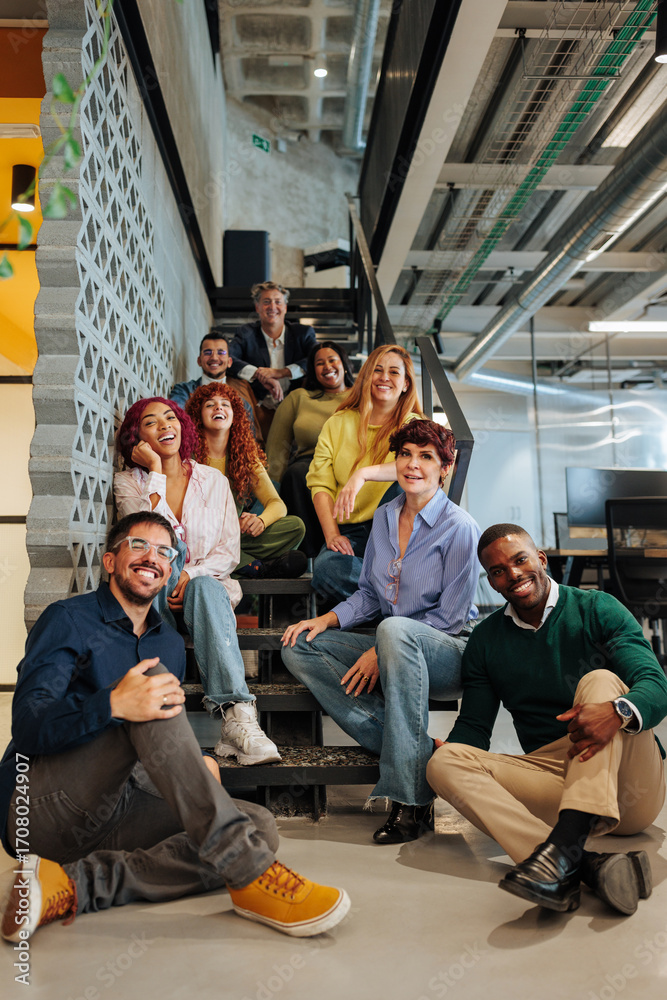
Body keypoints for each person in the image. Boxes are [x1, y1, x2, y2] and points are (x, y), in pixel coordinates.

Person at [0, 512, 350, 944]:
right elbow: (28, 724)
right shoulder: (67, 619)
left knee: (257, 826)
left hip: (118, 811)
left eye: (164, 552)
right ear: (110, 561)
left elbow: (153, 742)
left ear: (170, 572)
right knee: (151, 684)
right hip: (43, 810)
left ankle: (71, 884)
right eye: (138, 545)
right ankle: (251, 876)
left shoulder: (167, 641)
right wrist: (111, 704)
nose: (152, 557)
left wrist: (195, 763)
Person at [427, 523, 667, 916]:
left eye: (520, 560)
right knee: (443, 763)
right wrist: (453, 749)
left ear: (540, 559)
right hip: (556, 778)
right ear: (492, 581)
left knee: (600, 680)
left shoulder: (596, 608)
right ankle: (580, 864)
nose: (513, 574)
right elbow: (475, 726)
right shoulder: (486, 640)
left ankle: (565, 847)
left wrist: (617, 711)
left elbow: (655, 685)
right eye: (498, 571)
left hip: (630, 782)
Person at [282, 421, 480, 844]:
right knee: (299, 645)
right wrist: (326, 620)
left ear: (445, 468)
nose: (413, 464)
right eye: (405, 453)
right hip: (392, 641)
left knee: (391, 630)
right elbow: (371, 593)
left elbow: (450, 618)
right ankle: (420, 750)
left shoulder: (460, 527)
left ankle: (410, 799)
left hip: (449, 652)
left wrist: (383, 646)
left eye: (426, 456)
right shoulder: (385, 516)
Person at [113, 396, 280, 765]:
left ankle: (238, 718)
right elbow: (145, 540)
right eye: (150, 422)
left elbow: (228, 553)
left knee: (204, 587)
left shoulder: (213, 480)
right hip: (155, 595)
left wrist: (189, 574)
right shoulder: (128, 483)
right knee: (160, 555)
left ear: (183, 426)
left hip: (206, 592)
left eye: (170, 418)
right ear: (137, 439)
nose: (164, 426)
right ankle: (157, 721)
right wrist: (156, 471)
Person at [307, 344, 423, 603]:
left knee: (407, 481)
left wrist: (363, 474)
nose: (384, 377)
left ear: (406, 384)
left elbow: (415, 467)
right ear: (366, 377)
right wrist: (332, 534)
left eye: (394, 372)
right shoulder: (337, 423)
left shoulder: (414, 426)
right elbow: (320, 484)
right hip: (354, 532)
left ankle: (379, 602)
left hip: (398, 532)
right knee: (326, 569)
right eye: (377, 370)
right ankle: (403, 598)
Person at [185, 382, 307, 579]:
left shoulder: (245, 458)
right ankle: (253, 566)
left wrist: (260, 521)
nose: (218, 408)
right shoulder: (186, 456)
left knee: (295, 527)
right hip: (196, 536)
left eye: (225, 404)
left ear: (236, 416)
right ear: (197, 415)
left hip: (232, 537)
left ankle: (236, 563)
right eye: (210, 404)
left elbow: (277, 504)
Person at [266, 341, 355, 557]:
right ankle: (309, 558)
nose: (327, 366)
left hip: (351, 464)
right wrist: (269, 493)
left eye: (332, 360)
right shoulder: (299, 397)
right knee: (295, 475)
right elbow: (277, 448)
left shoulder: (361, 397)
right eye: (319, 363)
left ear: (344, 364)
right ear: (313, 370)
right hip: (309, 464)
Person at [228, 281, 317, 436]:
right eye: (266, 302)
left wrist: (282, 372)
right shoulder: (246, 333)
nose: (272, 307)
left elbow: (317, 358)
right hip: (258, 407)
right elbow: (228, 358)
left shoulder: (303, 333)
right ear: (257, 307)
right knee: (232, 381)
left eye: (278, 302)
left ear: (285, 307)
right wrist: (259, 374)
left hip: (296, 407)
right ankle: (249, 440)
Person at [169, 331, 263, 441]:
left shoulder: (242, 404)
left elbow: (248, 441)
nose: (214, 357)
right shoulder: (184, 391)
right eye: (208, 352)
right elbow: (175, 421)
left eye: (221, 352)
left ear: (229, 362)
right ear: (199, 361)